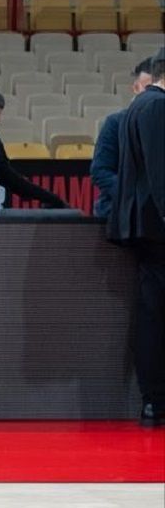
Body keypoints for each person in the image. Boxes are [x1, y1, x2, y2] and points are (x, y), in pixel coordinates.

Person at [105, 48, 165, 427]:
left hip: (147, 226)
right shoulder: (156, 106)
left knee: (152, 313)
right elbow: (160, 171)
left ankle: (153, 401)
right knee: (153, 317)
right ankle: (155, 400)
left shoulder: (138, 107)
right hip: (158, 228)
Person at [91, 58, 160, 217]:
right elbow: (100, 171)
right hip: (121, 212)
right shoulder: (115, 123)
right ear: (135, 88)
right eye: (147, 88)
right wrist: (135, 196)